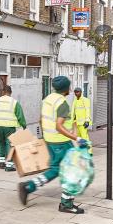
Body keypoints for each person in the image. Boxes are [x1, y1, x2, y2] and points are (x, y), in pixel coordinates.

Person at [18, 76, 88, 214]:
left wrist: (45, 137)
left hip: (50, 140)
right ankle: (66, 204)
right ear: (66, 88)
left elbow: (41, 119)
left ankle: (29, 187)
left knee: (55, 169)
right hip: (61, 142)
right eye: (69, 86)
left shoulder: (47, 99)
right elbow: (59, 126)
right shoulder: (62, 103)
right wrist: (77, 138)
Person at [0, 85, 26, 171]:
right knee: (9, 144)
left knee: (1, 143)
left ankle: (1, 162)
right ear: (10, 92)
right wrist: (24, 125)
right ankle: (9, 165)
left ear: (2, 92)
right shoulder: (14, 102)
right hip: (9, 127)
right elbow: (20, 115)